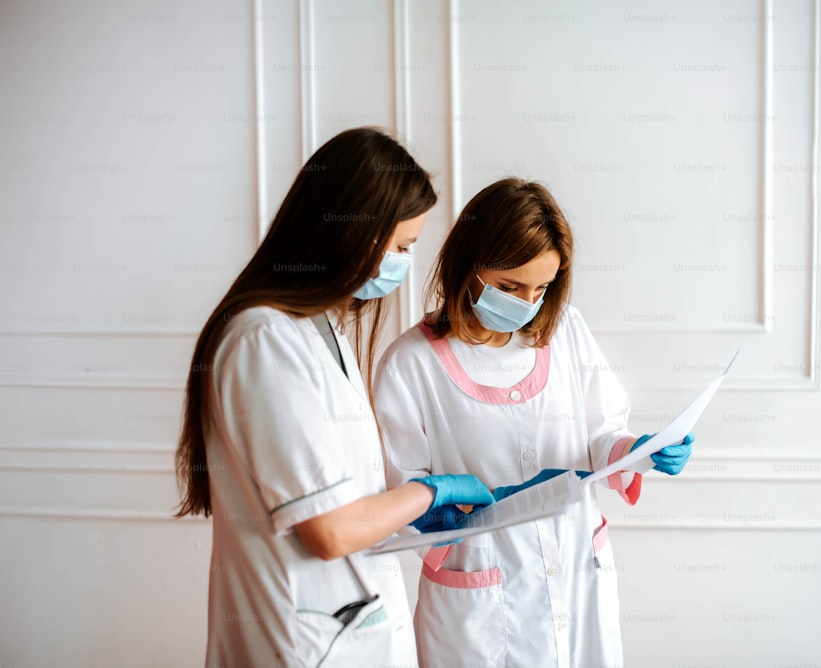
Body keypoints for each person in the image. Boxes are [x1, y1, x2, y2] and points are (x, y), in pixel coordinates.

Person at [173, 127, 495, 667]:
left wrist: (404, 512)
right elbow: (328, 529)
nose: (401, 263)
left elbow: (342, 499)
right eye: (398, 247)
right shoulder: (265, 342)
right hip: (300, 644)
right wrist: (429, 492)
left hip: (350, 629)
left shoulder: (324, 333)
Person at [373, 177, 695, 667]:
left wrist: (638, 450)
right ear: (468, 266)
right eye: (509, 286)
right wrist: (445, 510)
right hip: (477, 600)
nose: (526, 304)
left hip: (576, 579)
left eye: (541, 288)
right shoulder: (410, 363)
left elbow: (601, 433)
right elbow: (402, 491)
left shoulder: (566, 332)